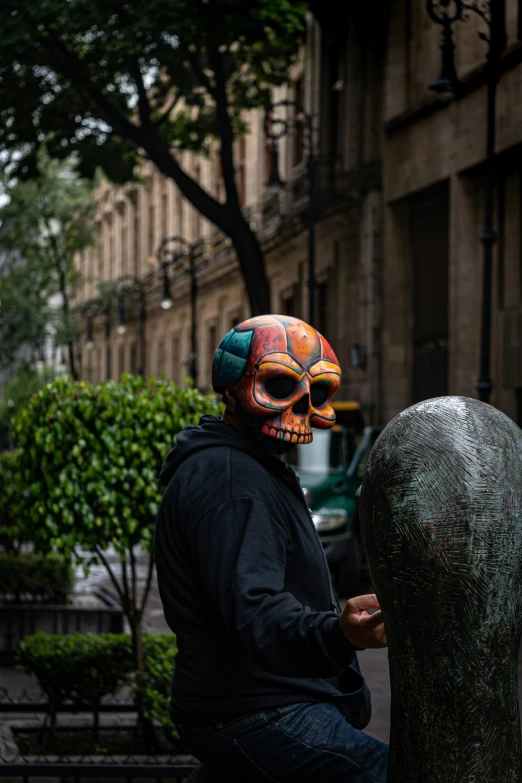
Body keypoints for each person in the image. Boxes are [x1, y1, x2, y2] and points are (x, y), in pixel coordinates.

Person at [155, 315, 388, 782]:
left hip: (247, 705)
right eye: (279, 385)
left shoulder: (245, 467)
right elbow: (256, 610)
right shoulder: (233, 479)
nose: (302, 408)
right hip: (258, 710)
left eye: (316, 393)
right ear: (232, 387)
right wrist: (337, 634)